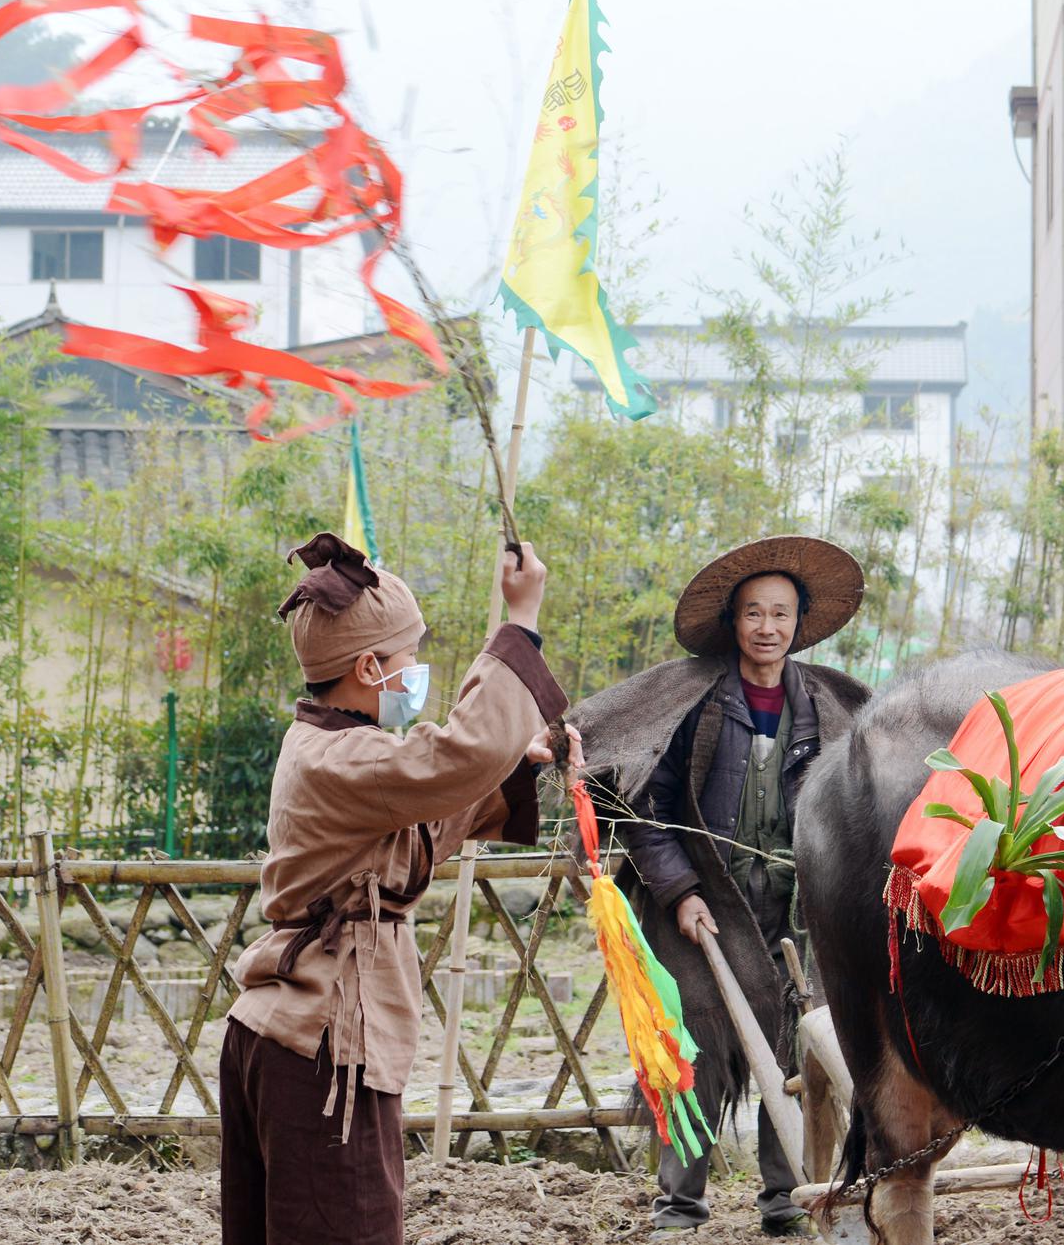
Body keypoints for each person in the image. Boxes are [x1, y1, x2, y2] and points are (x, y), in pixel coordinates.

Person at [220, 533, 578, 1244]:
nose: (417, 678)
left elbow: (423, 821)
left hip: (290, 1035)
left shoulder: (332, 748)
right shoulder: (343, 756)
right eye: (408, 663)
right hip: (323, 1041)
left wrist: (521, 761)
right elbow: (456, 759)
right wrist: (520, 620)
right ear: (367, 668)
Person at [585, 536, 870, 1240]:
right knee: (693, 1052)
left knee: (801, 1050)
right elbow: (637, 800)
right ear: (733, 623)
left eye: (780, 614)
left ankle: (789, 1201)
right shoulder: (692, 701)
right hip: (702, 904)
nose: (767, 628)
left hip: (798, 913)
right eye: (753, 614)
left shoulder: (829, 705)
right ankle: (678, 1210)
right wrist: (678, 888)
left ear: (798, 623)